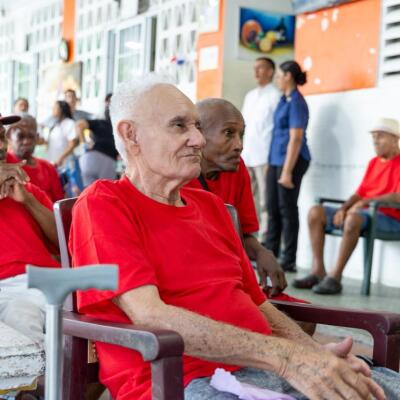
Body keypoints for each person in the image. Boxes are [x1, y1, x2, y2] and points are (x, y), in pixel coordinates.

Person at [69, 77, 398, 400]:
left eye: (197, 126)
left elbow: (258, 304)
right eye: (180, 126)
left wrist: (316, 357)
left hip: (269, 369)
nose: (198, 139)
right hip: (183, 380)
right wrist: (289, 358)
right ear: (131, 135)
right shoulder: (104, 204)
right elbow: (151, 316)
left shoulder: (212, 207)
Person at [186, 98, 287, 296]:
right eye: (229, 133)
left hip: (227, 280)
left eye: (241, 135)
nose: (239, 145)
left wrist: (261, 252)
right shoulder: (176, 177)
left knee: (298, 312)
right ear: (199, 134)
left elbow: (244, 235)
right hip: (196, 283)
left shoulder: (238, 171)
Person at [294, 117, 400, 295]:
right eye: (373, 136)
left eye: (380, 136)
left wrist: (364, 203)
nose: (375, 140)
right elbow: (359, 193)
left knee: (352, 219)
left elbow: (397, 196)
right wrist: (344, 208)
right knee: (316, 212)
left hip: (390, 217)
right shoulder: (374, 163)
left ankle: (335, 278)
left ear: (395, 139)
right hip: (363, 213)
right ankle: (318, 271)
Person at [0, 113, 60, 344]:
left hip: (48, 282)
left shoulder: (27, 189)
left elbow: (63, 244)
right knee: (21, 317)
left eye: (2, 137)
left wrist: (28, 201)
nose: (1, 145)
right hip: (9, 288)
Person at [265, 60, 311, 272]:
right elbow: (277, 134)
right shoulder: (283, 99)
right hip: (276, 159)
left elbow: (296, 138)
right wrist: (271, 164)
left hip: (293, 161)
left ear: (288, 76)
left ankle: (289, 259)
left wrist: (286, 171)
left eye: (278, 76)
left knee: (287, 209)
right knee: (272, 207)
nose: (276, 80)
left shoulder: (297, 102)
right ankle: (269, 254)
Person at [241, 57, 281, 243]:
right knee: (244, 200)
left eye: (260, 68)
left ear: (270, 71)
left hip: (265, 157)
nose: (256, 72)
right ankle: (242, 237)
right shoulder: (250, 96)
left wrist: (271, 159)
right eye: (254, 68)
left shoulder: (276, 96)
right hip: (247, 155)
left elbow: (276, 130)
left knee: (266, 202)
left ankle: (264, 240)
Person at [6, 114, 64, 202]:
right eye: (20, 136)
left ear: (37, 137)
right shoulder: (5, 165)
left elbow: (59, 203)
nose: (26, 142)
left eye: (31, 136)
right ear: (9, 137)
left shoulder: (48, 168)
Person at [76, 93, 118, 186]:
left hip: (88, 159)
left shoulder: (99, 122)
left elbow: (79, 125)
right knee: (105, 192)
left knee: (88, 192)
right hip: (108, 161)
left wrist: (84, 144)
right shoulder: (119, 128)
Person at [46, 100, 79, 167]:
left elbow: (72, 144)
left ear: (62, 110)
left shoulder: (70, 123)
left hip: (64, 164)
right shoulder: (54, 124)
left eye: (55, 107)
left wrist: (61, 158)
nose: (53, 109)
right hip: (52, 163)